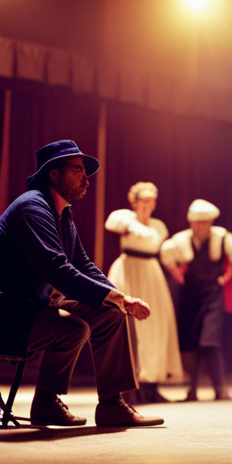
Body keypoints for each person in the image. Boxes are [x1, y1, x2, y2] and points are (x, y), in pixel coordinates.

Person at [0, 139, 163, 427]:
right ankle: (47, 401)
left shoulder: (61, 212)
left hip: (33, 304)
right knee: (73, 327)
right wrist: (117, 298)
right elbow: (58, 270)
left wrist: (119, 298)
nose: (86, 179)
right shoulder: (32, 208)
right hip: (9, 311)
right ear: (53, 174)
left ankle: (112, 404)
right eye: (77, 170)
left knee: (109, 313)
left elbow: (81, 263)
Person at [160, 199, 232, 401]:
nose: (201, 226)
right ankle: (192, 389)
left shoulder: (221, 237)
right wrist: (178, 274)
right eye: (197, 222)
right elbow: (167, 258)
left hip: (213, 295)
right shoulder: (181, 240)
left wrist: (228, 276)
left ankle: (220, 388)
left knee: (210, 341)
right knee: (191, 342)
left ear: (211, 222)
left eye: (205, 222)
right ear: (191, 223)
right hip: (190, 296)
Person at [105, 182, 183, 403]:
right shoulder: (125, 218)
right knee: (130, 329)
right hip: (128, 270)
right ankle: (131, 387)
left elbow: (152, 238)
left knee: (155, 328)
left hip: (150, 273)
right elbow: (112, 223)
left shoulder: (157, 225)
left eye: (153, 200)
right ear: (136, 202)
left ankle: (152, 384)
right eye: (145, 200)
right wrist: (130, 223)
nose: (150, 205)